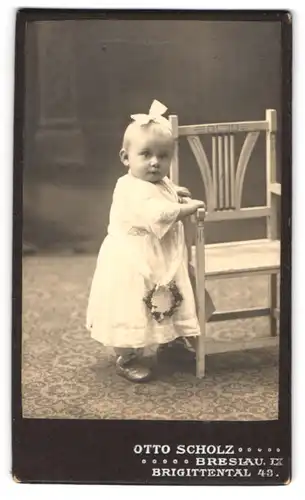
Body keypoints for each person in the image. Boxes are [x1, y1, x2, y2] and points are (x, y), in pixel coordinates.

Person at [86, 100, 214, 383]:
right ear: (125, 157)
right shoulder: (130, 188)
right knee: (135, 302)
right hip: (134, 258)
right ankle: (127, 356)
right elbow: (158, 211)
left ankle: (170, 342)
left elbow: (163, 193)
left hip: (160, 253)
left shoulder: (157, 181)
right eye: (146, 154)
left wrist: (175, 191)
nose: (155, 162)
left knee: (170, 292)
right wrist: (186, 207)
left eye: (163, 156)